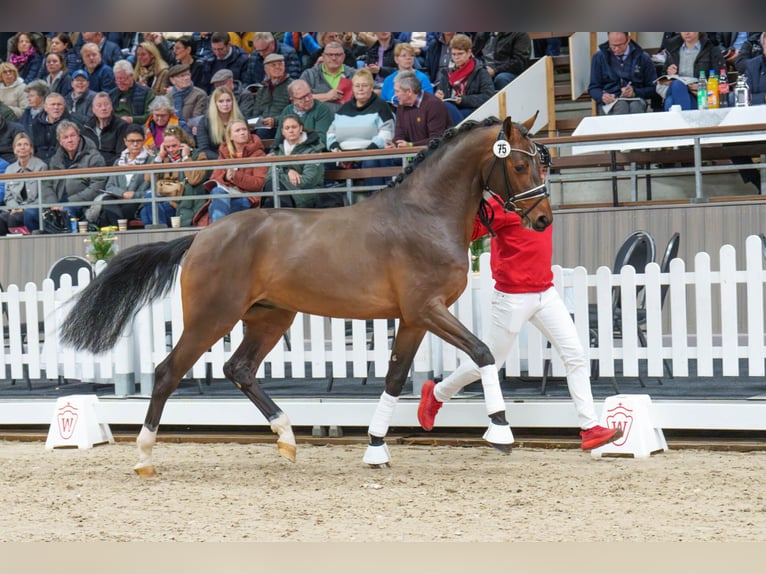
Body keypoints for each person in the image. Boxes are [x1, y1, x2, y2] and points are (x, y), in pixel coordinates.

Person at [417, 143, 623, 452]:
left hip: (545, 293)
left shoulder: (538, 200)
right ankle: (438, 394)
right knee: (487, 363)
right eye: (538, 168)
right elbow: (467, 230)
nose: (541, 174)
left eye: (543, 169)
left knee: (576, 355)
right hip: (512, 297)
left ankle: (589, 427)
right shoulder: (503, 204)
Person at [327, 68, 395, 191]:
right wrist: (335, 147)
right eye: (357, 86)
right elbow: (331, 132)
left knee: (370, 163)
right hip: (343, 156)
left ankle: (375, 203)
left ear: (371, 87)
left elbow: (387, 132)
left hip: (370, 154)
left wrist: (367, 152)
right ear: (352, 88)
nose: (360, 89)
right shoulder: (344, 109)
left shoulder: (381, 106)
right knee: (322, 165)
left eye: (364, 85)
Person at [197, 119, 268, 223]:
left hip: (247, 197)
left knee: (217, 209)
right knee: (217, 192)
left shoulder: (258, 154)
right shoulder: (225, 153)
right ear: (230, 136)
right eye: (238, 130)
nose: (242, 133)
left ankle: (219, 233)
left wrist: (236, 176)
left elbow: (260, 183)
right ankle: (221, 232)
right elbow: (214, 178)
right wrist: (225, 177)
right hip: (226, 195)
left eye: (244, 129)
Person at [94, 124, 153, 227]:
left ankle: (112, 232)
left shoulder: (151, 161)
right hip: (118, 200)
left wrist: (134, 195)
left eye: (138, 141)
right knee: (106, 200)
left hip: (138, 201)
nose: (135, 144)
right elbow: (110, 186)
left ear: (143, 140)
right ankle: (118, 227)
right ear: (125, 141)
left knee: (106, 215)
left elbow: (152, 190)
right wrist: (123, 194)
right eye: (131, 141)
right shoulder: (118, 162)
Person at [48, 119, 107, 220]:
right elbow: (47, 185)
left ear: (79, 136)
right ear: (60, 141)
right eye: (65, 137)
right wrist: (52, 203)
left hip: (82, 204)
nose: (70, 140)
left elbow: (97, 186)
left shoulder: (94, 157)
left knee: (66, 212)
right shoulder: (55, 160)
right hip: (57, 203)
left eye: (72, 136)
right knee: (31, 214)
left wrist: (70, 202)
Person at [588, 32, 658, 115]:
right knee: (621, 106)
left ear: (628, 39)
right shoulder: (599, 57)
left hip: (636, 99)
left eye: (620, 45)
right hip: (610, 101)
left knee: (635, 106)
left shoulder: (643, 57)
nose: (616, 49)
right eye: (613, 46)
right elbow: (593, 88)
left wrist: (634, 92)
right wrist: (602, 96)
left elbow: (653, 88)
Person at [264, 113, 323, 208]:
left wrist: (281, 170)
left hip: (307, 194)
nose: (291, 130)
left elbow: (307, 181)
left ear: (300, 128)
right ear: (283, 132)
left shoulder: (313, 149)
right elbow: (269, 177)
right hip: (282, 191)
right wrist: (288, 171)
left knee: (273, 190)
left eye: (294, 127)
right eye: (287, 128)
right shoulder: (277, 149)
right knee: (272, 185)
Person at [435, 34, 495, 125]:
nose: (456, 57)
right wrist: (439, 96)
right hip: (451, 109)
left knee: (446, 112)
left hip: (473, 111)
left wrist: (463, 100)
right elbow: (443, 95)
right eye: (454, 54)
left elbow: (488, 96)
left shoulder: (480, 72)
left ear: (469, 53)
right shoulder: (447, 73)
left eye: (460, 54)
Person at [140, 125, 194, 227]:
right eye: (167, 147)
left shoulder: (195, 155)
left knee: (145, 211)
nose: (171, 150)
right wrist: (160, 156)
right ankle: (160, 232)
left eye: (174, 146)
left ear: (183, 143)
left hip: (181, 202)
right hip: (162, 199)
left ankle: (158, 237)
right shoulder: (161, 156)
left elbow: (194, 180)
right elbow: (148, 179)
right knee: (146, 209)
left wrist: (186, 157)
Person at [657, 32, 726, 110]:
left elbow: (720, 77)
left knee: (670, 102)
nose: (687, 33)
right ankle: (687, 119)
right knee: (677, 85)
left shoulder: (711, 49)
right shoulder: (673, 49)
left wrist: (703, 86)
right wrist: (669, 72)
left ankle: (682, 120)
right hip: (678, 89)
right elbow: (663, 77)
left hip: (700, 95)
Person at [0, 132, 51, 233]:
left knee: (15, 218)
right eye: (19, 145)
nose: (22, 148)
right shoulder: (10, 169)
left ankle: (18, 246)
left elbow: (43, 195)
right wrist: (15, 207)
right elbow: (8, 196)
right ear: (14, 149)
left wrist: (23, 209)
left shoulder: (41, 167)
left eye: (26, 144)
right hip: (14, 208)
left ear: (31, 149)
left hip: (34, 208)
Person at [387, 70, 452, 148]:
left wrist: (411, 145)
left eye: (397, 91)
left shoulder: (434, 105)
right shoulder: (401, 106)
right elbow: (399, 135)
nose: (395, 95)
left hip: (436, 154)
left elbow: (437, 139)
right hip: (410, 155)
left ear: (409, 92)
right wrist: (395, 144)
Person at [271, 79, 335, 151]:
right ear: (293, 100)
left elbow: (322, 140)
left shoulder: (322, 109)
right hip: (290, 154)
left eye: (309, 94)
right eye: (302, 97)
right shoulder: (287, 111)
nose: (307, 99)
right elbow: (279, 138)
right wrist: (273, 152)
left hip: (315, 155)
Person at [299, 41, 355, 113]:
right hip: (318, 119)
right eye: (330, 55)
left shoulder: (354, 74)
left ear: (343, 57)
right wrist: (326, 96)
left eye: (338, 55)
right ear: (323, 56)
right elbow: (299, 99)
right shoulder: (309, 75)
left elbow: (373, 92)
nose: (334, 58)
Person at [194, 85, 245, 158]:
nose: (225, 104)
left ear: (233, 102)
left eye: (228, 100)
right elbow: (204, 149)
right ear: (215, 104)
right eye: (221, 101)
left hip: (239, 158)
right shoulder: (205, 122)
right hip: (215, 161)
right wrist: (223, 160)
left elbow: (247, 142)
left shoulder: (240, 119)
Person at [249, 53, 292, 140]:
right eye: (273, 65)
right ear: (266, 69)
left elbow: (295, 112)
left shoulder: (292, 86)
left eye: (280, 64)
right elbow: (256, 112)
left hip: (283, 124)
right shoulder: (263, 89)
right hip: (263, 124)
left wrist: (275, 121)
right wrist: (255, 123)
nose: (277, 67)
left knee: (262, 133)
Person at [81, 92, 130, 165]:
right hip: (90, 168)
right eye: (99, 105)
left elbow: (121, 154)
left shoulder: (122, 126)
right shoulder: (87, 128)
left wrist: (102, 166)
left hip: (112, 168)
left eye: (106, 105)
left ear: (111, 107)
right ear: (93, 110)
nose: (103, 108)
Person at [109, 59, 155, 126]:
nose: (119, 82)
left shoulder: (146, 93)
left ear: (131, 76)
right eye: (117, 79)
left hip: (136, 127)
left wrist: (132, 119)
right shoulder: (111, 94)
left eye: (122, 78)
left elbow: (150, 115)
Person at [31, 92, 72, 162]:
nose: (56, 107)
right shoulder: (35, 124)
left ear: (64, 107)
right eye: (53, 104)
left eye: (59, 104)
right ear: (45, 108)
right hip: (39, 162)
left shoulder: (71, 124)